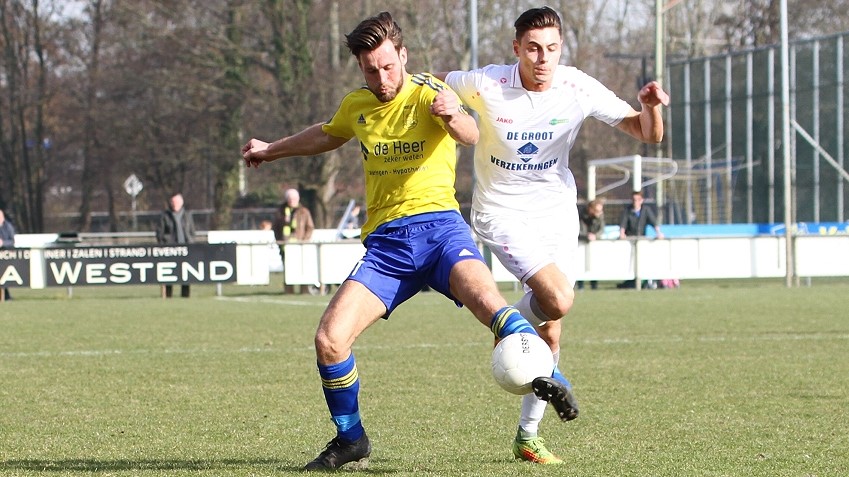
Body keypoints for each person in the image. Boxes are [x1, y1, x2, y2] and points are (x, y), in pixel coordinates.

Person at [241, 11, 576, 471]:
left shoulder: (431, 93)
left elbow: (471, 133)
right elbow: (326, 134)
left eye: (388, 65)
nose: (381, 77)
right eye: (370, 69)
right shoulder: (357, 105)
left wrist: (453, 114)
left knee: (493, 308)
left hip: (441, 232)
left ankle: (550, 376)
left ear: (403, 55)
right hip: (387, 248)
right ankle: (350, 438)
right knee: (329, 340)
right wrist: (269, 149)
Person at [436, 6, 668, 464]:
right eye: (534, 49)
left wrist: (651, 107)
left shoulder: (576, 86)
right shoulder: (486, 82)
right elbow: (432, 80)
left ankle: (528, 436)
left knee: (552, 329)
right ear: (516, 49)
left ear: (562, 48)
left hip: (557, 213)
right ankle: (505, 323)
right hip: (500, 213)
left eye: (552, 49)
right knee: (558, 299)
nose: (543, 59)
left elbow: (647, 134)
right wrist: (435, 102)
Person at [618, 190, 665, 289]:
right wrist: (622, 234)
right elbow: (623, 225)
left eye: (637, 200)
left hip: (641, 240)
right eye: (634, 200)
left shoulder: (645, 210)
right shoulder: (627, 210)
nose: (635, 202)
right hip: (630, 240)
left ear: (641, 200)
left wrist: (659, 233)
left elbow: (654, 222)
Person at [272, 188, 315, 294]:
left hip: (300, 245)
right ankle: (288, 291)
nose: (292, 201)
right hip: (285, 245)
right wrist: (279, 240)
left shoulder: (304, 211)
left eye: (294, 199)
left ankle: (304, 290)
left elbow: (309, 227)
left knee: (302, 268)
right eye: (290, 199)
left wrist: (304, 240)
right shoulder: (280, 212)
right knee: (288, 269)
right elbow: (276, 227)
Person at [155, 192, 196, 298]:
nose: (174, 204)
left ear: (181, 202)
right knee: (170, 274)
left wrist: (190, 242)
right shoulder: (165, 216)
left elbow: (192, 231)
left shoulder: (187, 215)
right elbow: (160, 233)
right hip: (170, 250)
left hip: (186, 249)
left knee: (185, 275)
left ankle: (185, 295)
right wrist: (165, 243)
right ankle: (168, 295)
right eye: (173, 202)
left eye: (176, 202)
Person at [576, 199, 605, 291]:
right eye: (597, 211)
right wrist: (586, 236)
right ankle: (580, 285)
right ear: (591, 209)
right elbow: (577, 230)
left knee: (594, 263)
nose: (599, 213)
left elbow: (601, 229)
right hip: (580, 242)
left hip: (593, 244)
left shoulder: (599, 216)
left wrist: (595, 235)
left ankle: (594, 284)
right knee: (580, 263)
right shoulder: (580, 215)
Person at [0, 209, 15, 301]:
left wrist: (3, 243)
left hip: (6, 256)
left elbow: (12, 241)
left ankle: (6, 296)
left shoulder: (8, 227)